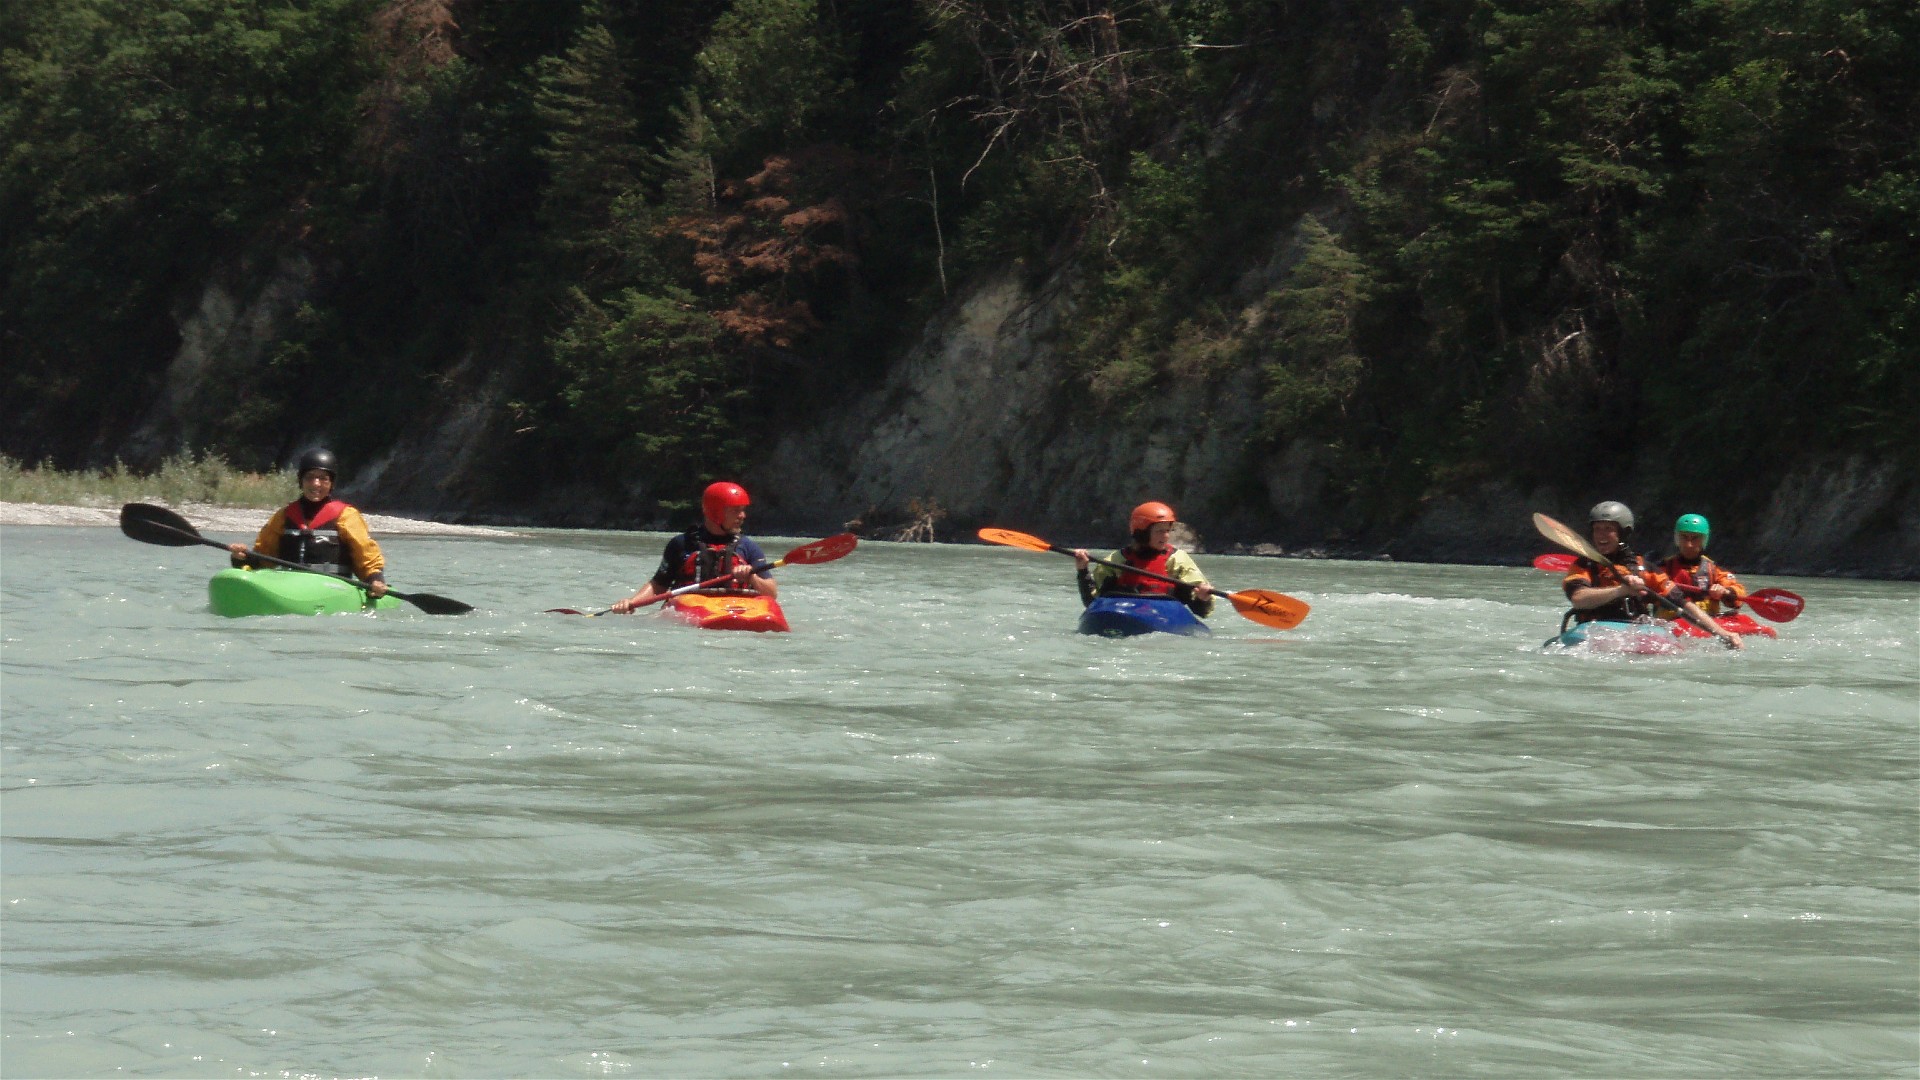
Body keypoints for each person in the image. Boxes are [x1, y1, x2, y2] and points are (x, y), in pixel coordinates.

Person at [1561, 500, 1739, 648]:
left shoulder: (1645, 568)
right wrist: (1620, 591)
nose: (1601, 535)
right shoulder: (1583, 565)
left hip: (1636, 630)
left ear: (1623, 533)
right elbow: (1578, 598)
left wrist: (1723, 633)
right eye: (1597, 529)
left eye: (1608, 529)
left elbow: (1683, 605)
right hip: (1593, 630)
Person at [227, 448, 388, 598]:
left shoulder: (346, 516)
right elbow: (263, 557)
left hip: (332, 588)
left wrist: (375, 578)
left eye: (323, 478)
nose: (316, 484)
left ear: (331, 483)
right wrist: (241, 558)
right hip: (289, 585)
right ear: (301, 481)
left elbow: (365, 554)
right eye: (310, 477)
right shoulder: (284, 516)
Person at [610, 481, 778, 613]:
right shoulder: (681, 544)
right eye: (735, 511)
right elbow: (658, 585)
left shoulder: (748, 547)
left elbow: (771, 594)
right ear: (716, 512)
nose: (742, 516)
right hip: (692, 608)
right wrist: (632, 603)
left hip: (737, 607)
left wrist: (752, 578)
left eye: (743, 510)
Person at [1071, 501, 1215, 618]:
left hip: (1165, 617)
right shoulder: (1116, 560)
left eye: (1167, 531)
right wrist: (1083, 570)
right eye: (1159, 531)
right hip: (1120, 613)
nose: (1166, 536)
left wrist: (1203, 598)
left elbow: (1201, 612)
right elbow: (1092, 602)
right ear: (1142, 533)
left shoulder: (1177, 560)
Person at [1657, 513, 1749, 618]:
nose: (1689, 544)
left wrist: (1725, 591)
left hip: (1708, 621)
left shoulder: (1714, 569)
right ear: (1677, 538)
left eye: (1695, 538)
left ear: (1703, 540)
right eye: (1684, 537)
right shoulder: (1662, 568)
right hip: (1672, 621)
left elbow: (1738, 597)